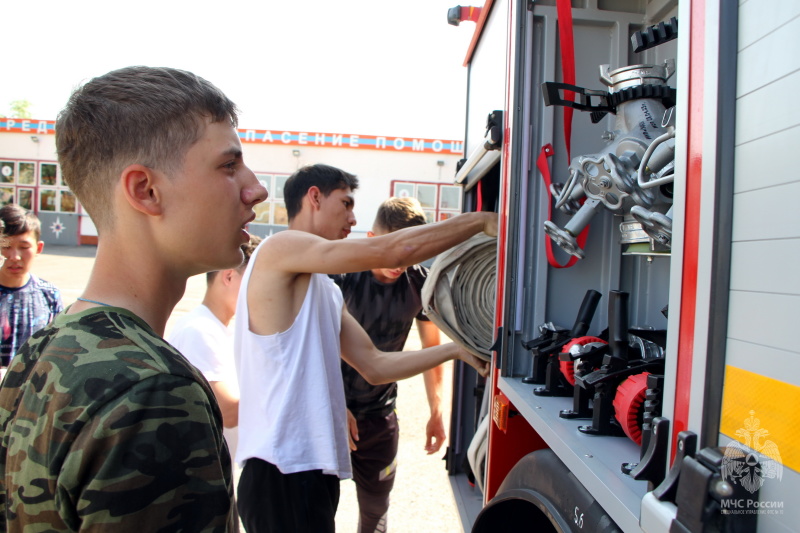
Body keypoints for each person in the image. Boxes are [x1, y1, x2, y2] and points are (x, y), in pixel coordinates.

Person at [0, 66, 267, 532]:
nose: (256, 188)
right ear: (146, 191)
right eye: (228, 166)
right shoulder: (156, 390)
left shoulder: (42, 350)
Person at [234, 163, 496, 532]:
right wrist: (480, 221)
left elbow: (374, 364)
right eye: (345, 203)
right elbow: (396, 250)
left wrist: (455, 351)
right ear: (314, 197)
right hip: (282, 467)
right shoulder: (280, 247)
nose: (353, 218)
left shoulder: (324, 288)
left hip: (311, 471)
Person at [331, 196, 446, 533]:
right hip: (331, 413)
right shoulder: (341, 275)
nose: (400, 261)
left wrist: (437, 412)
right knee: (317, 509)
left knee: (375, 512)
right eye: (392, 248)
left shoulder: (420, 283)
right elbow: (314, 347)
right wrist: (335, 403)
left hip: (379, 417)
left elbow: (432, 349)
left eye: (410, 251)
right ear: (372, 239)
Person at [168, 232, 262, 522]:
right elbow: (229, 411)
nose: (260, 291)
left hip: (217, 479)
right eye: (254, 280)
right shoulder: (199, 332)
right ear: (228, 276)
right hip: (196, 490)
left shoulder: (224, 330)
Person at [0, 204, 63, 372]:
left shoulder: (49, 295)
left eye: (24, 247)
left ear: (38, 248)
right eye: (5, 246)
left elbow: (56, 352)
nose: (14, 257)